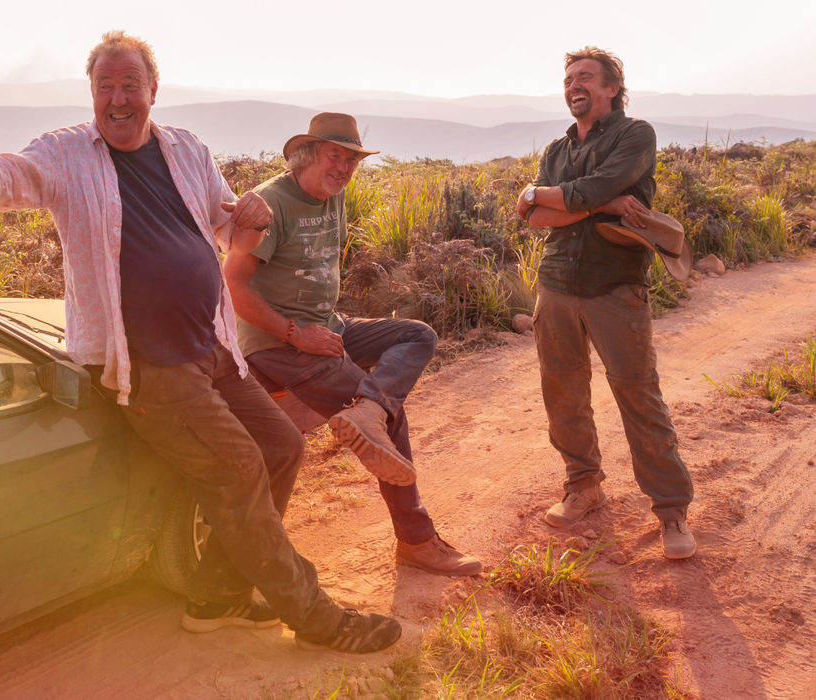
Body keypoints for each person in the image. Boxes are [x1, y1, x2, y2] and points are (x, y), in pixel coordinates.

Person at [0, 31, 403, 653]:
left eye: (129, 86)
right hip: (150, 368)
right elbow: (2, 178)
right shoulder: (67, 154)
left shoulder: (185, 149)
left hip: (213, 347)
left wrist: (248, 216)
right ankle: (316, 618)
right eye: (105, 87)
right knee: (238, 468)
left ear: (153, 90)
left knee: (283, 446)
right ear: (92, 93)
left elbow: (223, 220)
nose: (117, 99)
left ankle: (217, 594)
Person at [225, 113, 482, 577]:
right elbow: (234, 286)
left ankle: (367, 410)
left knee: (416, 335)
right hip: (276, 343)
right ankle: (418, 541)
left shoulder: (331, 199)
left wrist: (325, 331)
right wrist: (294, 333)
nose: (344, 168)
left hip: (327, 328)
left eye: (351, 160)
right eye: (334, 156)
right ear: (306, 155)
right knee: (393, 419)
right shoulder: (271, 203)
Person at [515, 47, 696, 559]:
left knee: (639, 396)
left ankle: (671, 511)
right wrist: (593, 204)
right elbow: (531, 218)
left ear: (612, 87)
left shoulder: (635, 134)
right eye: (569, 77)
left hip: (615, 286)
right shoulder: (556, 148)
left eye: (586, 77)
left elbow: (593, 187)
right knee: (562, 392)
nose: (575, 84)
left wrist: (556, 196)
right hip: (555, 285)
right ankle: (583, 485)